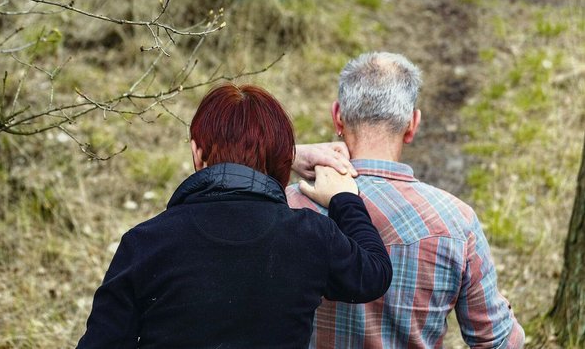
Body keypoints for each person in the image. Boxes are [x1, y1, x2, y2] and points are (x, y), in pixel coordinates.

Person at [76, 83, 392, 348]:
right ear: (283, 160)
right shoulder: (310, 236)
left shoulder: (146, 242)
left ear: (197, 152)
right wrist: (344, 198)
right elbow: (375, 274)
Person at [287, 52, 525, 348]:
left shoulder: (287, 207)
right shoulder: (457, 222)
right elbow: (500, 342)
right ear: (412, 124)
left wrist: (288, 154)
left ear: (337, 116)